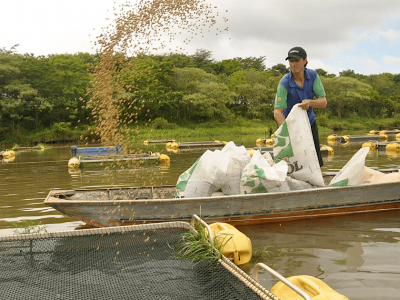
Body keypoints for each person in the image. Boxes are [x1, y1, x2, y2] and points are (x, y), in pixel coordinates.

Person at [273, 46, 327, 167]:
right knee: (294, 162)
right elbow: (277, 112)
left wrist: (310, 102)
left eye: (296, 60)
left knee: (315, 161)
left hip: (309, 123)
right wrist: (289, 132)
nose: (293, 64)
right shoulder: (284, 82)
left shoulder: (313, 76)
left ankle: (317, 184)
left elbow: (323, 102)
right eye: (291, 61)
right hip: (291, 125)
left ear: (305, 60)